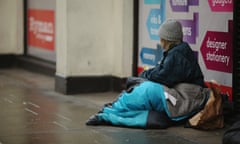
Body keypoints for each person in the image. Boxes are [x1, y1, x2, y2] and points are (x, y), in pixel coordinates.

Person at [86, 19, 216, 129]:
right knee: (141, 87)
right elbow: (161, 71)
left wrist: (144, 76)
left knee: (146, 90)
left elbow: (162, 76)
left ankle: (110, 111)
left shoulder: (178, 55)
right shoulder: (177, 52)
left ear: (167, 40)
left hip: (187, 98)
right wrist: (145, 75)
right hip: (183, 95)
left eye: (161, 39)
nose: (160, 42)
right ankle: (112, 110)